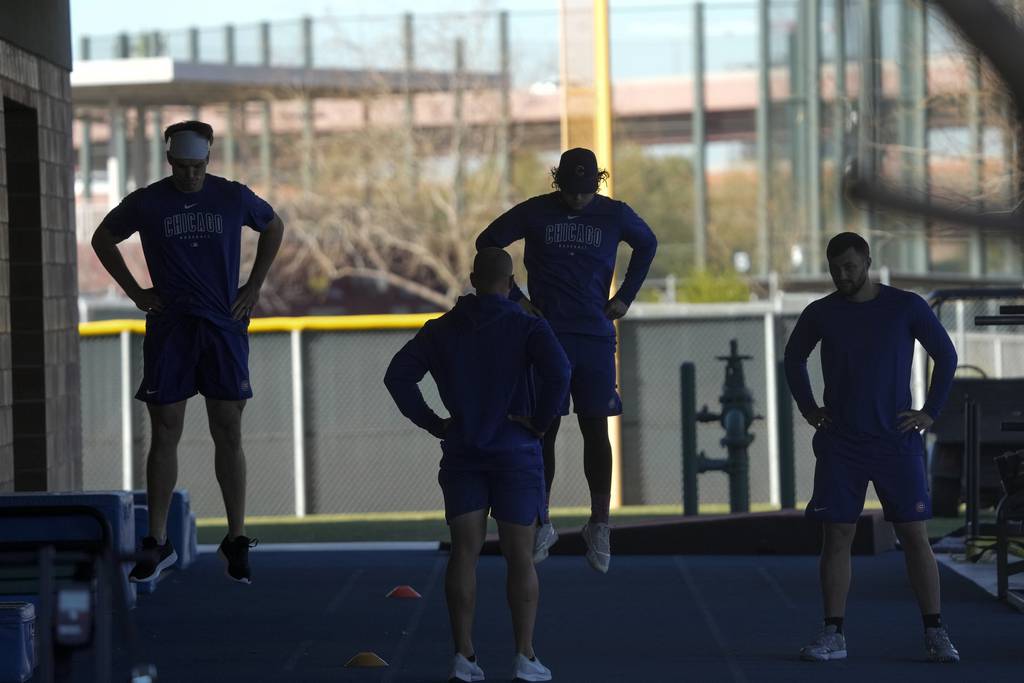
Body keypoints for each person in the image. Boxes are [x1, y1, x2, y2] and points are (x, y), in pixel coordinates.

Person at [91, 120, 284, 584]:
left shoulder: (232, 196)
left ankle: (235, 537)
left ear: (209, 160)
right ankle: (157, 541)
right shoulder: (148, 201)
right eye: (182, 167)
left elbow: (273, 225)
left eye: (198, 167)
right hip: (172, 326)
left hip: (222, 324)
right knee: (166, 427)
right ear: (170, 162)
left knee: (228, 427)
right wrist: (136, 291)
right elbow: (102, 238)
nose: (191, 176)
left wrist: (254, 286)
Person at [384, 248, 570, 682]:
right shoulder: (528, 326)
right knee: (519, 557)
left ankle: (464, 657)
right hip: (516, 454)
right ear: (509, 283)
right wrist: (540, 423)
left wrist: (433, 423)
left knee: (464, 553)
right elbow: (560, 373)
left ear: (472, 278)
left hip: (464, 451)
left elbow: (398, 377)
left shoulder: (441, 330)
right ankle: (524, 656)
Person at [475, 148, 657, 573]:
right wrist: (517, 297)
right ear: (558, 183)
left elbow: (647, 244)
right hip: (545, 334)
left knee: (596, 426)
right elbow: (488, 242)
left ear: (597, 182)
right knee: (544, 428)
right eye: (571, 191)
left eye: (585, 191)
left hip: (592, 334)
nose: (578, 199)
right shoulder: (536, 212)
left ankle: (600, 523)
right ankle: (543, 518)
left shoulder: (615, 214)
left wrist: (626, 296)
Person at [784, 232, 960, 663]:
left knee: (914, 535)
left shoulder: (905, 306)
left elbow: (947, 355)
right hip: (841, 443)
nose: (842, 275)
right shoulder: (821, 313)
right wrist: (809, 408)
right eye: (835, 269)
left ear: (866, 262)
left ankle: (935, 632)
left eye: (849, 266)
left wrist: (929, 413)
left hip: (896, 442)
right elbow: (793, 358)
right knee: (837, 535)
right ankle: (834, 634)